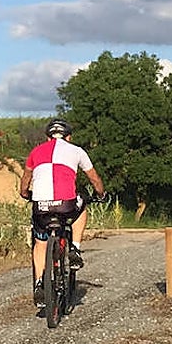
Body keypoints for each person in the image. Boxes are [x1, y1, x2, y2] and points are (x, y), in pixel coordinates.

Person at [18, 119, 106, 299]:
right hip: (66, 204)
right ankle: (75, 248)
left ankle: (39, 284)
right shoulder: (77, 151)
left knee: (40, 243)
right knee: (82, 207)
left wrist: (25, 194)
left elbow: (25, 180)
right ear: (69, 137)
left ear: (47, 137)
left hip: (41, 206)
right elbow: (94, 178)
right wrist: (101, 194)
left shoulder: (35, 151)